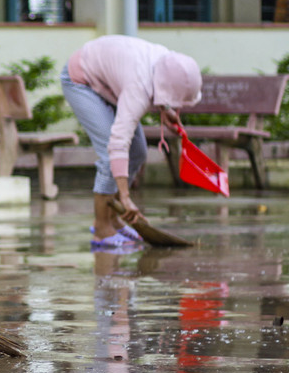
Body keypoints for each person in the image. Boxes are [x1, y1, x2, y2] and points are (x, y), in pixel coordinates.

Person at [59, 35, 202, 250]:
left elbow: (160, 87)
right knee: (110, 155)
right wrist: (125, 197)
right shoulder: (139, 87)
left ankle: (115, 220)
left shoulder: (166, 62)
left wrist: (166, 110)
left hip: (110, 82)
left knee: (138, 152)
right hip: (81, 80)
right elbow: (117, 143)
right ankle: (101, 228)